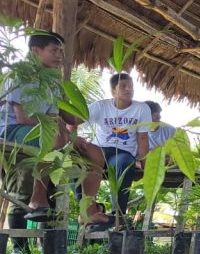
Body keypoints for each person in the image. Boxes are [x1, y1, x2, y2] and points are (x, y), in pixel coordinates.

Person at [0, 30, 67, 222]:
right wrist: (57, 126)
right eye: (54, 51)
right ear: (36, 50)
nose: (59, 56)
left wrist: (65, 131)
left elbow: (53, 116)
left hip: (38, 131)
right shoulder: (19, 74)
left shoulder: (53, 81)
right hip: (10, 130)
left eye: (61, 52)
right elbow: (22, 118)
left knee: (87, 149)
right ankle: (38, 199)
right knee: (54, 136)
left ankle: (91, 213)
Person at [76, 73, 152, 220]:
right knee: (80, 163)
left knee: (122, 164)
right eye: (123, 86)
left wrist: (144, 165)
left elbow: (142, 139)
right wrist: (74, 137)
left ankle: (118, 215)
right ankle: (85, 211)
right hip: (100, 151)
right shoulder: (100, 106)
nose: (128, 89)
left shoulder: (142, 109)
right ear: (113, 91)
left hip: (123, 153)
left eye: (130, 86)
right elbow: (74, 120)